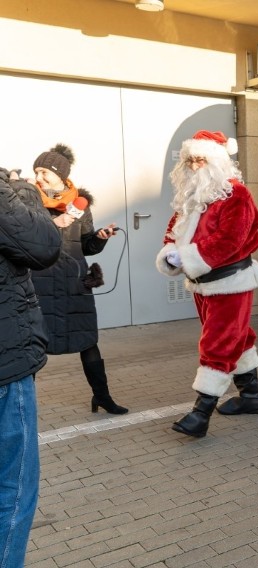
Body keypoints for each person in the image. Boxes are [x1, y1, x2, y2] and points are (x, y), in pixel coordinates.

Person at [156, 130, 258, 438]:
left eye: (200, 159)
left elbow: (231, 240)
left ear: (217, 160)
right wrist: (170, 252)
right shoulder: (192, 195)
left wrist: (189, 256)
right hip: (203, 282)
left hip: (231, 280)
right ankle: (251, 397)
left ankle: (200, 413)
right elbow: (174, 229)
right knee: (238, 336)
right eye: (189, 160)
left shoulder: (236, 195)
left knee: (217, 343)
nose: (194, 167)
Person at [29, 144, 127, 414]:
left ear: (60, 175)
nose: (38, 178)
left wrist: (99, 238)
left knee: (88, 340)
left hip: (74, 283)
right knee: (33, 345)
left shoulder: (79, 204)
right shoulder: (28, 200)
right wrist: (53, 224)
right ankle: (23, 407)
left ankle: (102, 397)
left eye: (44, 172)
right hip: (40, 284)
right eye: (36, 171)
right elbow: (22, 238)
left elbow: (86, 246)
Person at [0, 166, 61, 568]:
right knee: (14, 486)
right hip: (6, 362)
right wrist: (15, 189)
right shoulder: (13, 194)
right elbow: (43, 245)